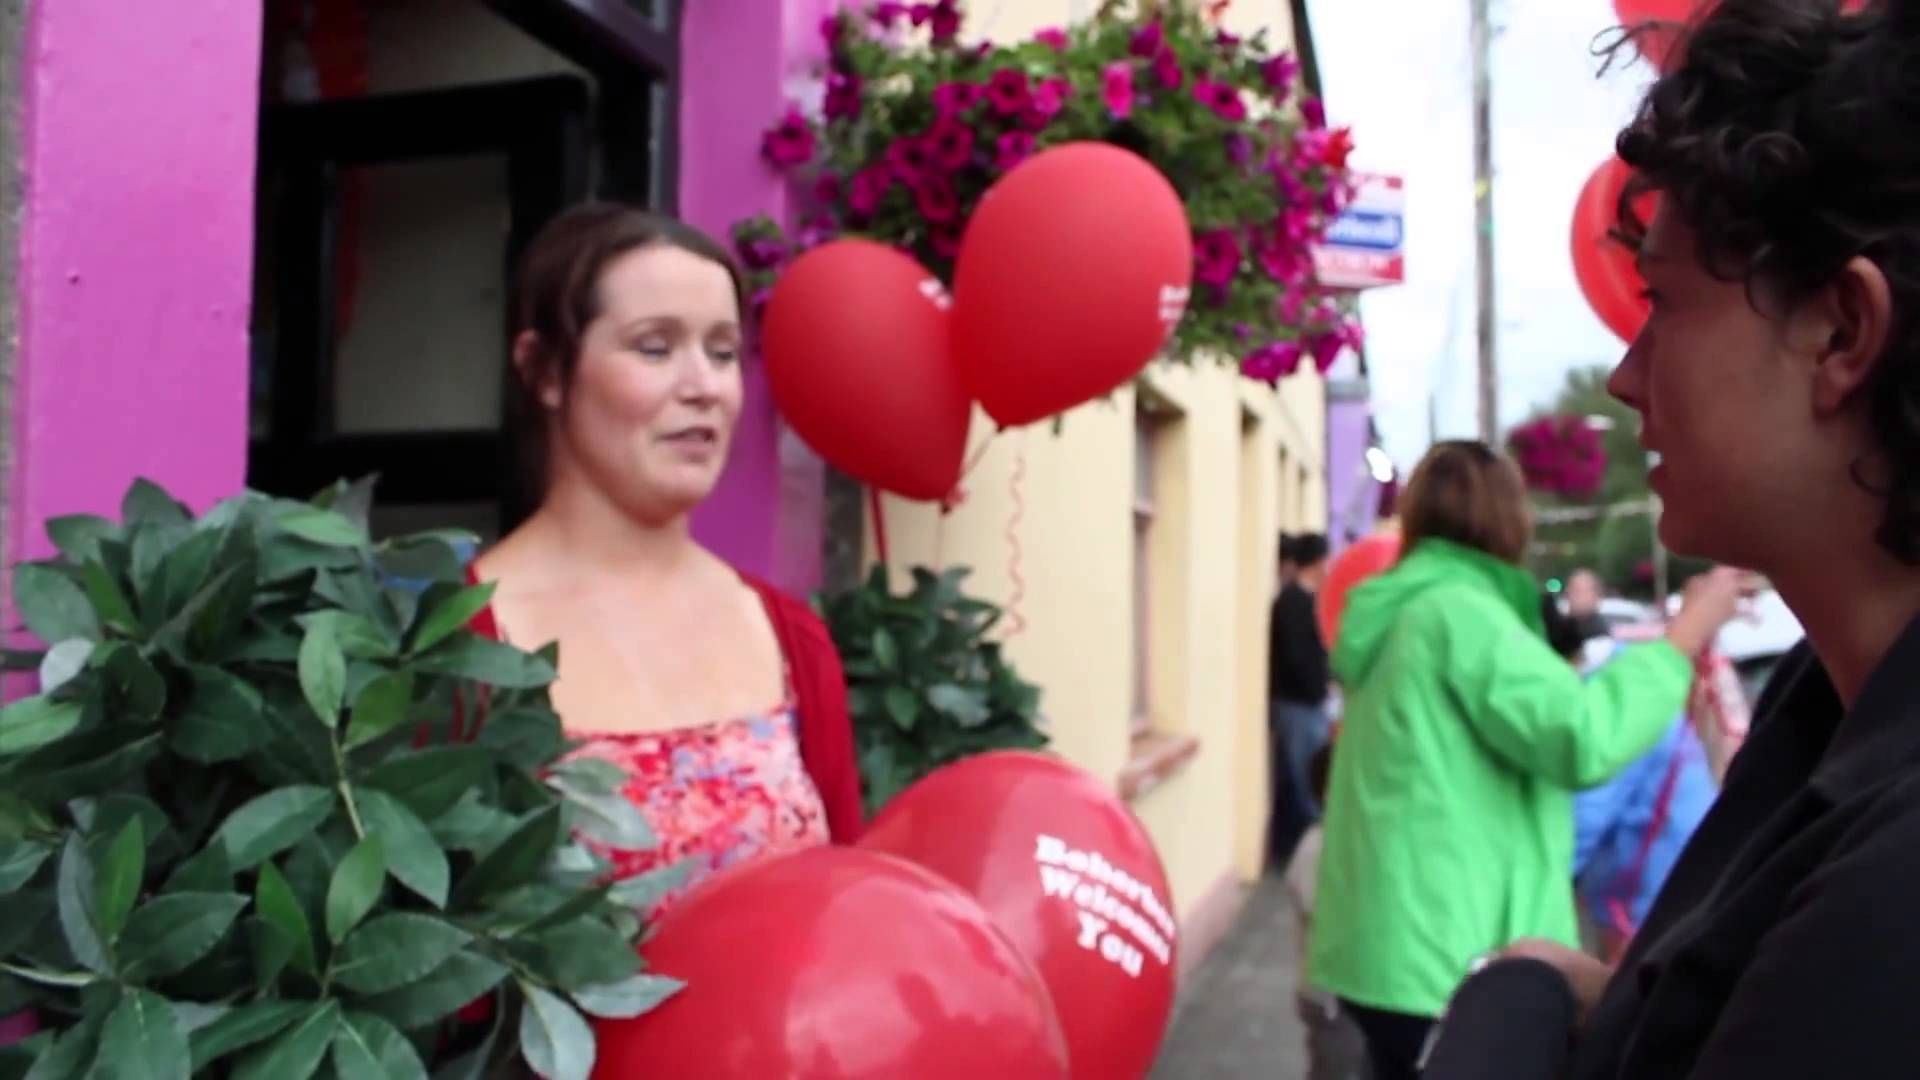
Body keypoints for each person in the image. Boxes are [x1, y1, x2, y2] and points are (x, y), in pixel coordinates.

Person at [1492, 2, 1920, 1075]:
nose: (1629, 374)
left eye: (1666, 302)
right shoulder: (1824, 701)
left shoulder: (1896, 882)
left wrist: (1516, 1008)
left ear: (1841, 332)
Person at [465, 204, 863, 918]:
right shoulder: (460, 644)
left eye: (722, 351)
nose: (704, 386)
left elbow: (849, 918)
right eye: (654, 348)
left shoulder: (790, 638)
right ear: (545, 370)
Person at [1303, 440, 1739, 1080]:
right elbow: (1585, 737)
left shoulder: (1399, 608)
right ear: (1512, 520)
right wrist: (1686, 633)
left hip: (1385, 945)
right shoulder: (1462, 612)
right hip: (1447, 952)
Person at [1541, 597, 1718, 963]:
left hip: (1644, 893)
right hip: (1674, 876)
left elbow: (1586, 819)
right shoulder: (1630, 681)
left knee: (1625, 999)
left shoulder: (1609, 704)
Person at [1269, 531, 1333, 864]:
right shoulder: (1294, 602)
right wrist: (1317, 688)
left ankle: (1292, 849)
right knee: (1303, 781)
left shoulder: (1305, 600)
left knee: (1300, 776)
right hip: (1298, 705)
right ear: (1318, 562)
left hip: (1306, 703)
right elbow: (1297, 657)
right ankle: (1299, 855)